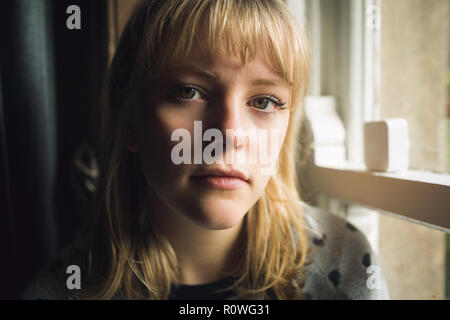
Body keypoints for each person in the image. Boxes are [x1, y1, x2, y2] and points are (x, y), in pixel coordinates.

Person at [23, 0, 389, 300]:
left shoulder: (344, 263)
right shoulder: (63, 290)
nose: (228, 135)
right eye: (189, 91)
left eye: (264, 100)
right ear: (130, 118)